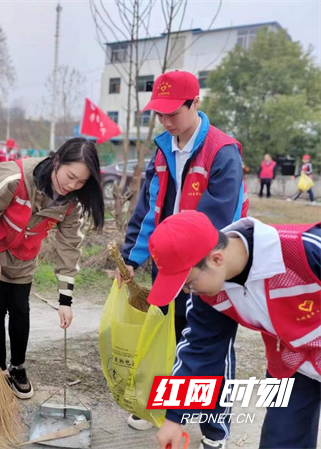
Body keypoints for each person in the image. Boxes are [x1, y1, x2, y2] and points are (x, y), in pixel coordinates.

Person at [117, 70, 248, 448]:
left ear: (196, 103)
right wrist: (131, 256)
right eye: (159, 113)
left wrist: (195, 267)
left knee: (210, 340)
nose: (165, 120)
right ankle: (166, 411)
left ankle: (214, 423)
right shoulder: (163, 148)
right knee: (169, 335)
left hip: (209, 266)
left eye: (173, 112)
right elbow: (148, 208)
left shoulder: (222, 152)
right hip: (169, 264)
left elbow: (218, 221)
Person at [147, 210, 321, 449]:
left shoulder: (301, 250)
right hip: (290, 364)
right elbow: (201, 349)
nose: (188, 293)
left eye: (189, 283)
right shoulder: (210, 295)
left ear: (216, 259)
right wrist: (174, 418)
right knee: (279, 441)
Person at [0, 137, 105, 399]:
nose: (72, 186)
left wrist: (65, 300)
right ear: (57, 161)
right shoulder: (15, 177)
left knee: (20, 309)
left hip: (23, 258)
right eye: (70, 176)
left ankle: (17, 367)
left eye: (81, 182)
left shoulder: (71, 203)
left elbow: (70, 248)